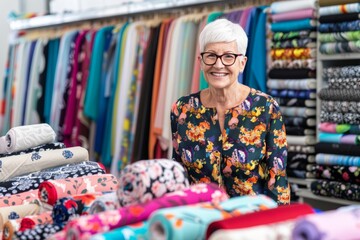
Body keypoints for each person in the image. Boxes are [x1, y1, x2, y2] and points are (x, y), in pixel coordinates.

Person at [170, 18, 290, 205]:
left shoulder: (266, 108)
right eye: (211, 55)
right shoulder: (182, 109)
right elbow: (178, 174)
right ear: (200, 61)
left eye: (228, 56)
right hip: (198, 220)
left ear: (242, 63)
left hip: (249, 223)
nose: (218, 65)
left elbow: (278, 180)